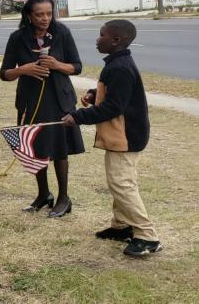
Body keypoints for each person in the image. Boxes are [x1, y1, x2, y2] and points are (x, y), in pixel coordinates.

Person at [63, 20, 161, 257]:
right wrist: (95, 94)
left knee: (121, 183)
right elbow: (116, 95)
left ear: (116, 40)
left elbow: (114, 107)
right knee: (120, 181)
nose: (98, 39)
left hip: (126, 136)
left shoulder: (119, 67)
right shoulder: (117, 64)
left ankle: (147, 236)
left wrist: (77, 117)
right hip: (121, 135)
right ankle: (121, 226)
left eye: (102, 35)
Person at [0, 0, 84, 218]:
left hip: (59, 100)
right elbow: (4, 73)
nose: (45, 18)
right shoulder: (17, 38)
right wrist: (23, 70)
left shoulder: (62, 33)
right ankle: (44, 194)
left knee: (59, 149)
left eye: (48, 13)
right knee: (35, 147)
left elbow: (77, 67)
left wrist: (57, 64)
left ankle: (64, 198)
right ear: (28, 15)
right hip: (30, 101)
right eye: (39, 15)